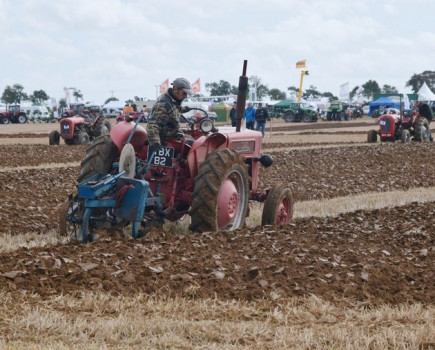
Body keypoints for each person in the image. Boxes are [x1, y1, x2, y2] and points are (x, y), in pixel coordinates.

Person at [146, 78, 192, 152]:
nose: (185, 96)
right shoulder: (164, 105)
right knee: (191, 144)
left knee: (189, 137)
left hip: (171, 132)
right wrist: (155, 142)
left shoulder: (172, 100)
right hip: (165, 139)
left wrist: (184, 109)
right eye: (184, 93)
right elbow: (152, 125)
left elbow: (174, 109)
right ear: (176, 90)